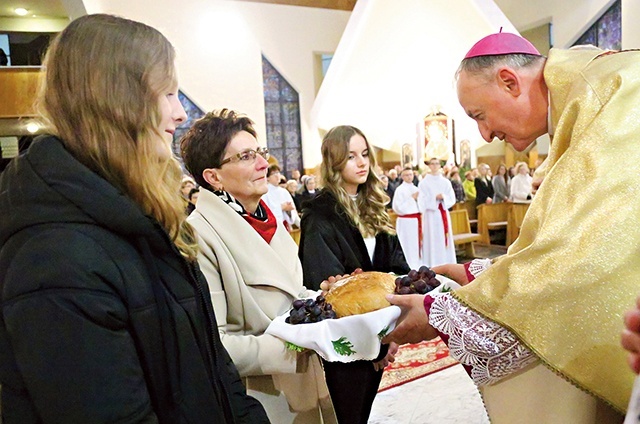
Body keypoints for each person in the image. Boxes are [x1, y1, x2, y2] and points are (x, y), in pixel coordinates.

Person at [0, 14, 268, 423]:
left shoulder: (144, 214)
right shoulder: (56, 259)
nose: (180, 114)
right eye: (167, 94)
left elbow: (213, 373)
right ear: (115, 101)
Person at [383, 31, 637, 423]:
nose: (485, 135)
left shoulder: (610, 92)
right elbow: (559, 232)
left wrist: (440, 313)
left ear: (509, 81)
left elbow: (588, 253)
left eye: (479, 116)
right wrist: (476, 272)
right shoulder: (581, 97)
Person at [180, 109, 335, 423]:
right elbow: (216, 344)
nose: (264, 164)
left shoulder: (266, 218)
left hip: (310, 378)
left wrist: (325, 299)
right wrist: (297, 346)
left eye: (260, 152)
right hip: (263, 394)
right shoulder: (199, 235)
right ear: (213, 177)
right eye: (246, 156)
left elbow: (290, 295)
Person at [299, 125, 409, 424]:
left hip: (380, 332)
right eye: (350, 157)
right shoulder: (320, 214)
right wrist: (371, 343)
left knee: (362, 412)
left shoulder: (374, 206)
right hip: (344, 344)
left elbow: (399, 271)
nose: (362, 163)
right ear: (334, 162)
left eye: (364, 154)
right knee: (347, 414)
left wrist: (388, 335)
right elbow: (327, 287)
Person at [418, 158, 456, 267]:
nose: (434, 166)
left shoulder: (445, 182)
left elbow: (452, 198)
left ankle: (447, 263)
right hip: (431, 215)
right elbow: (422, 199)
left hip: (442, 212)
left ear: (440, 166)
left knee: (444, 238)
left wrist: (443, 197)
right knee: (431, 238)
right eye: (432, 164)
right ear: (429, 166)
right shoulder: (424, 182)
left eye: (436, 164)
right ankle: (432, 263)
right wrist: (433, 199)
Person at [392, 166, 422, 270]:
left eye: (410, 175)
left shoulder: (416, 188)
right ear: (402, 176)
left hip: (416, 220)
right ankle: (409, 265)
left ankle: (418, 264)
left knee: (416, 244)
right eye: (406, 175)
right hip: (406, 221)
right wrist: (411, 199)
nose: (409, 177)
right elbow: (397, 207)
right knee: (407, 244)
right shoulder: (400, 190)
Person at [263, 164, 300, 230]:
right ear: (267, 178)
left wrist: (289, 210)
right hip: (273, 228)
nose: (277, 176)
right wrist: (281, 207)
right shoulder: (264, 192)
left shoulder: (284, 191)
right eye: (274, 174)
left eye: (278, 173)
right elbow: (265, 212)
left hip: (285, 226)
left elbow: (292, 211)